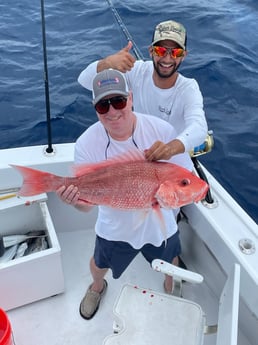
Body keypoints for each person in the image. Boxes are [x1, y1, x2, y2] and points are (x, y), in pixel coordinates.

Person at [57, 69, 194, 320]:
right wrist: (75, 200)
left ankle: (170, 286)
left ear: (131, 98)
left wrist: (168, 196)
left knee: (170, 259)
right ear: (94, 107)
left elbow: (186, 176)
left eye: (118, 101)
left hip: (159, 226)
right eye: (103, 105)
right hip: (114, 228)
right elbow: (86, 208)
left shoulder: (161, 130)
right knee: (99, 265)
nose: (112, 111)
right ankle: (97, 287)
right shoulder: (86, 144)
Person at [78, 19, 208, 161]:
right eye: (161, 50)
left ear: (184, 56)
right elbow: (85, 81)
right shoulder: (137, 71)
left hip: (172, 160)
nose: (167, 58)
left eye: (176, 52)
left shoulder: (188, 88)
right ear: (151, 51)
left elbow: (199, 128)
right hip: (139, 155)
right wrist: (107, 63)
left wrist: (169, 149)